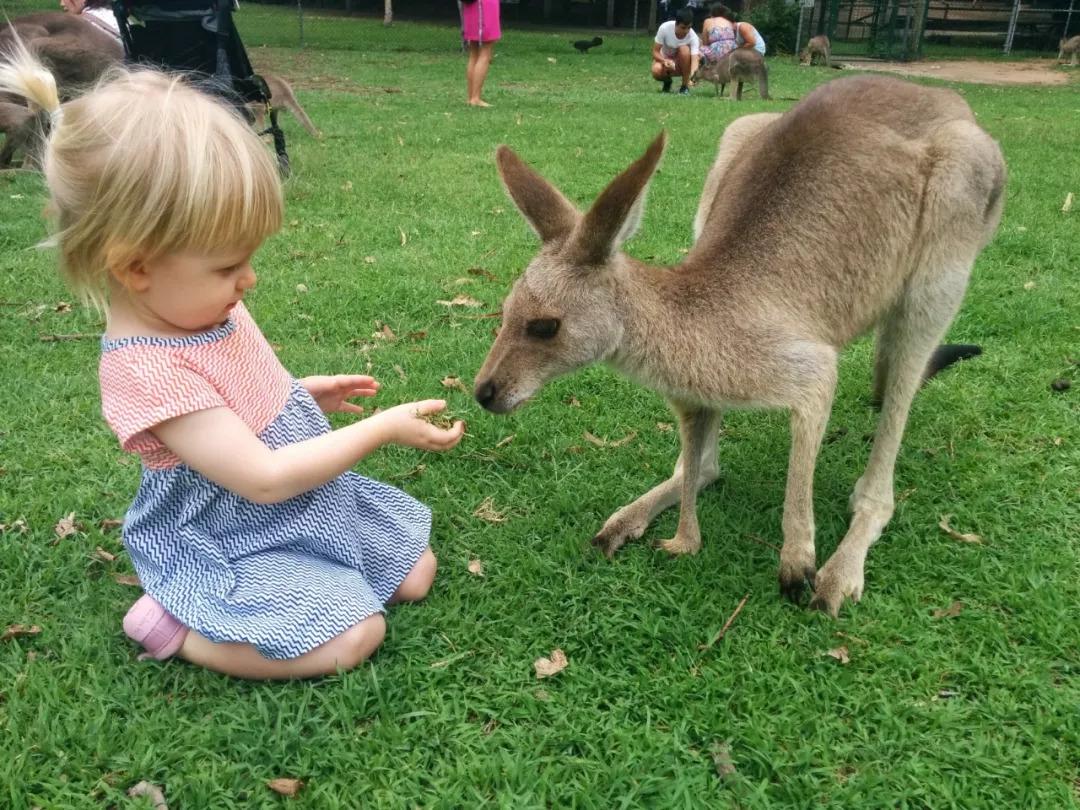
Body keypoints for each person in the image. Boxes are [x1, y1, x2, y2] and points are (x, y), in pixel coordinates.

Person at [0, 43, 466, 680]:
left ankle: (322, 573)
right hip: (235, 529)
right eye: (226, 265)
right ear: (136, 266)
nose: (247, 280)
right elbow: (262, 478)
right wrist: (379, 429)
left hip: (303, 501)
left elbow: (232, 402)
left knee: (416, 571)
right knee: (355, 634)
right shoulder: (147, 369)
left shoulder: (198, 303)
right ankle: (174, 626)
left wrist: (300, 394)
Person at [652, 8, 700, 95]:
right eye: (683, 27)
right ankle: (667, 82)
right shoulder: (664, 28)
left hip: (681, 64)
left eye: (689, 27)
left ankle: (684, 87)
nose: (686, 31)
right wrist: (664, 61)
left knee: (684, 49)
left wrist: (694, 76)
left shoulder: (693, 37)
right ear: (676, 24)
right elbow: (655, 52)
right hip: (666, 61)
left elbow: (695, 59)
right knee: (656, 70)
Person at [462, 0, 500, 107]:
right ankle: (475, 98)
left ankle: (471, 97)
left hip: (472, 5)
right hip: (484, 5)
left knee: (474, 52)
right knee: (485, 50)